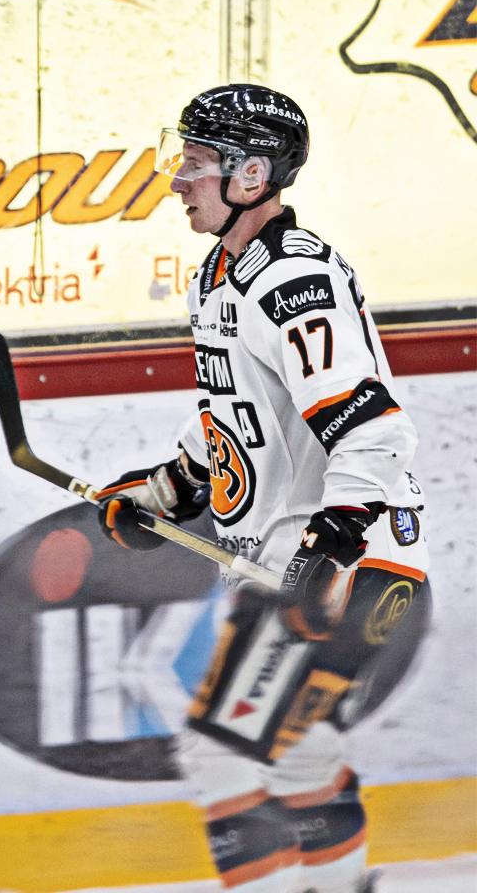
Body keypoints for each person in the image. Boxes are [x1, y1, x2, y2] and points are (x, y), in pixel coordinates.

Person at [96, 84, 428, 893]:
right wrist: (172, 488)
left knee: (222, 748)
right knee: (298, 750)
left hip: (348, 571)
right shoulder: (221, 272)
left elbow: (374, 429)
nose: (178, 179)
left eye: (197, 163)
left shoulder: (291, 280)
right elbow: (240, 412)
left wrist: (332, 544)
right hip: (322, 565)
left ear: (252, 175)